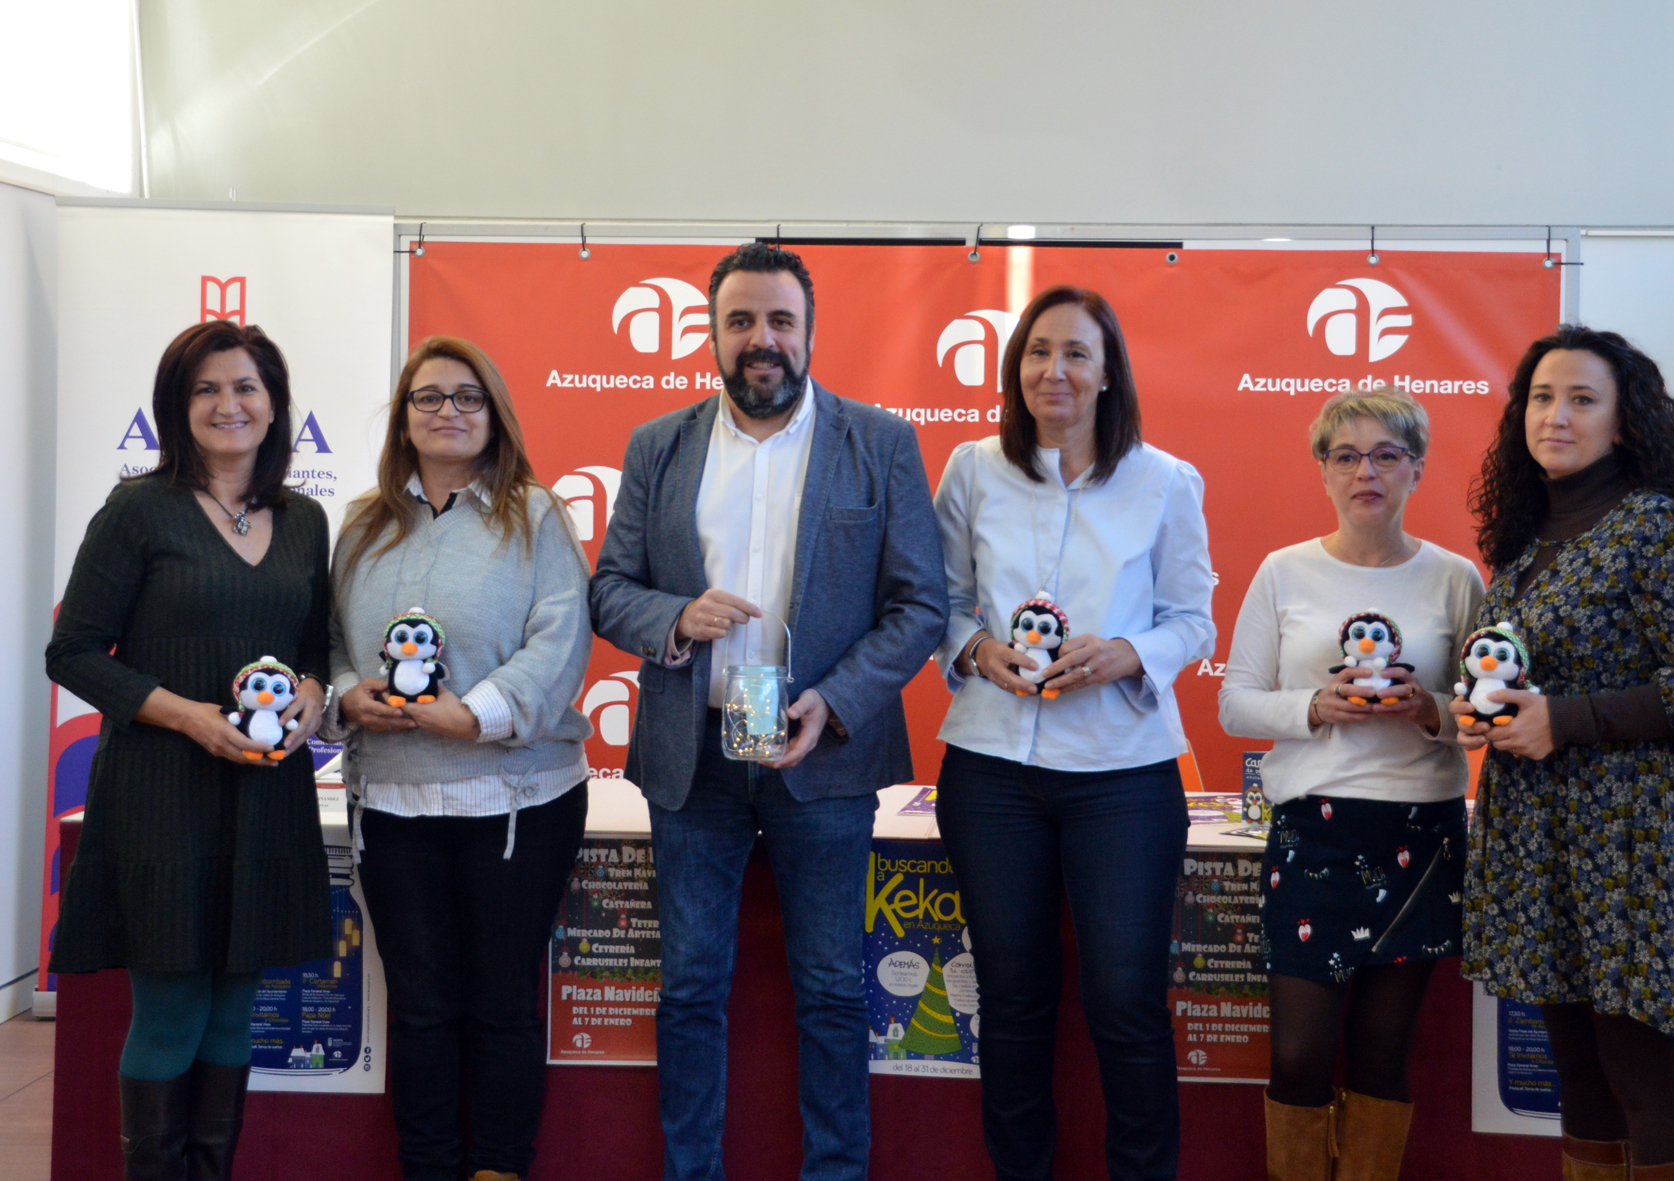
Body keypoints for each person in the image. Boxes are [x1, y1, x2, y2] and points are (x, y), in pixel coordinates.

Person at [589, 242, 947, 1181]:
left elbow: (921, 605)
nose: (762, 339)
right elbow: (610, 588)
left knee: (830, 988)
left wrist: (836, 699)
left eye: (780, 320)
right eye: (741, 320)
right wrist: (675, 617)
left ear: (810, 332)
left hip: (821, 754)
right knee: (689, 988)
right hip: (693, 758)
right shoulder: (658, 445)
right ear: (711, 334)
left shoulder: (880, 442)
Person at [931, 285, 1215, 1181]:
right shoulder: (973, 469)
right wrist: (977, 650)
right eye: (1038, 351)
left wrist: (1129, 653)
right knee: (1013, 998)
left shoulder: (1165, 480)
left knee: (1126, 1000)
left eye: (1077, 353)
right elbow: (939, 602)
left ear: (1108, 373)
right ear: (1015, 368)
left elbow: (1193, 619)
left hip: (1123, 778)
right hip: (991, 772)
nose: (1054, 370)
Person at [1455, 327, 1674, 1181]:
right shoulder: (1524, 538)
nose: (1555, 415)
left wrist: (1565, 719)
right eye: (1541, 397)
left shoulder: (1657, 525)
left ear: (1623, 422)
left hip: (1624, 832)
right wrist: (1483, 712)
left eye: (1582, 399)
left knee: (1638, 1067)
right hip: (1533, 829)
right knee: (1574, 1068)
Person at [46, 321, 332, 1181]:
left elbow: (314, 646)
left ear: (274, 404)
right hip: (161, 795)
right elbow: (72, 652)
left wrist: (314, 692)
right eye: (205, 388)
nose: (226, 404)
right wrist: (187, 717)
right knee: (171, 1010)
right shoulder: (139, 509)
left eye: (245, 386)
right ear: (177, 406)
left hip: (265, 798)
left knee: (236, 1013)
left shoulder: (305, 519)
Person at [327, 336, 593, 1181]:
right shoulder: (362, 521)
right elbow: (328, 639)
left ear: (495, 414)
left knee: (502, 1005)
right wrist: (347, 694)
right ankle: (430, 1167)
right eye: (429, 397)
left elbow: (561, 637)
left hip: (517, 801)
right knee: (421, 1007)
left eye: (468, 396)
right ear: (404, 417)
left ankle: (500, 1168)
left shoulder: (537, 514)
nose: (449, 411)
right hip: (393, 803)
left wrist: (474, 715)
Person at [1218, 388, 1483, 1181]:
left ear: (1417, 469)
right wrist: (1313, 705)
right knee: (1299, 1056)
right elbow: (1235, 702)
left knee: (1381, 1056)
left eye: (1386, 455)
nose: (1366, 471)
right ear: (1324, 472)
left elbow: (1484, 715)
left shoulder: (1455, 577)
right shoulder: (1282, 570)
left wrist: (1430, 708)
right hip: (1313, 831)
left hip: (1420, 834)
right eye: (1347, 456)